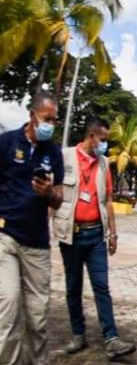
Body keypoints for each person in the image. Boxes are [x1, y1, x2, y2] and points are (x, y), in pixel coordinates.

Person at [53, 117, 137, 358]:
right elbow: (54, 192)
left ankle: (112, 338)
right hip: (72, 235)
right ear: (91, 137)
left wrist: (113, 233)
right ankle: (78, 335)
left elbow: (108, 200)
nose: (105, 145)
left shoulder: (103, 164)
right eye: (103, 139)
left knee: (102, 286)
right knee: (73, 287)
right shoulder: (65, 157)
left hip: (96, 236)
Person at [0, 92, 64, 363]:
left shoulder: (54, 152)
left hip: (37, 244)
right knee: (8, 307)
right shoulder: (6, 142)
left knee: (37, 318)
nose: (51, 125)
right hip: (5, 238)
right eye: (47, 119)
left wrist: (48, 192)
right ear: (32, 115)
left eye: (55, 120)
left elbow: (59, 199)